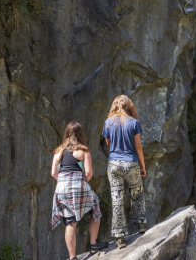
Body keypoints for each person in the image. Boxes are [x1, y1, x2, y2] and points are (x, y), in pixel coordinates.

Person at [51, 122, 109, 258]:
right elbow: (88, 173)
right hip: (79, 185)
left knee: (70, 223)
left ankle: (72, 257)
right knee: (95, 207)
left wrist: (65, 182)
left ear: (66, 134)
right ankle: (93, 245)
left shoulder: (58, 152)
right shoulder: (83, 150)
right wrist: (81, 184)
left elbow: (54, 173)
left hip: (62, 188)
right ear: (80, 134)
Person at [101, 95, 147, 247]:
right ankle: (141, 223)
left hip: (113, 164)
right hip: (130, 163)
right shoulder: (134, 123)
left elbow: (108, 143)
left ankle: (119, 237)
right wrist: (143, 165)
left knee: (117, 199)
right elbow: (138, 146)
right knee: (137, 191)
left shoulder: (108, 123)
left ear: (114, 106)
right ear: (129, 106)